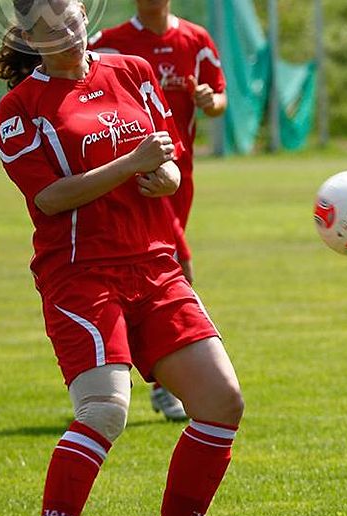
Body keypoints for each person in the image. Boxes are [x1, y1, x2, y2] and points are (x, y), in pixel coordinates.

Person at [0, 1, 242, 516]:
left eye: (72, 20)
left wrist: (166, 177)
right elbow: (50, 198)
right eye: (50, 29)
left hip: (154, 264)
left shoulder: (132, 70)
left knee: (221, 402)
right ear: (31, 39)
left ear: (85, 15)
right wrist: (131, 164)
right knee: (104, 410)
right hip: (81, 275)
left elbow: (168, 159)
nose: (67, 34)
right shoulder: (20, 106)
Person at [89, 0, 228, 420]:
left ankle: (126, 371)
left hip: (178, 175)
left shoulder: (195, 39)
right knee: (179, 266)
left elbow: (219, 99)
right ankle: (166, 384)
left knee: (157, 271)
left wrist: (210, 100)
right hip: (135, 179)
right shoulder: (110, 43)